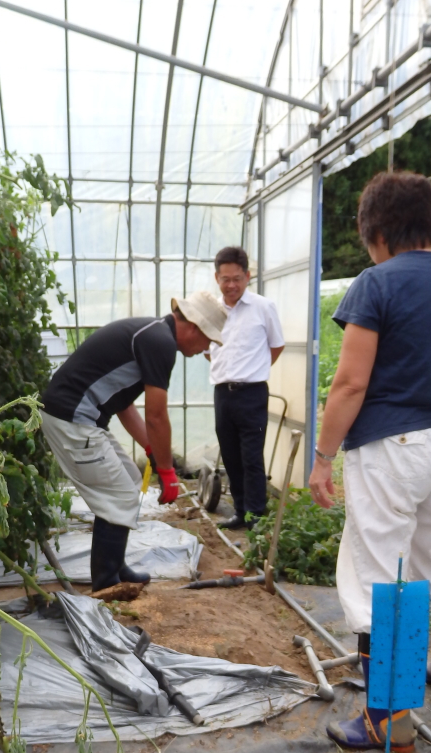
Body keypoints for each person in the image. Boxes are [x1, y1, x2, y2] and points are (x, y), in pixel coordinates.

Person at [309, 171, 431, 753]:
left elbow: (350, 383)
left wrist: (322, 458)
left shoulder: (376, 283)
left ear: (378, 231)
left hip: (393, 446)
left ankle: (390, 720)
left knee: (381, 577)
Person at [41, 293, 226, 591]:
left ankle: (115, 565)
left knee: (128, 479)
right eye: (208, 340)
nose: (206, 347)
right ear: (195, 328)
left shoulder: (152, 333)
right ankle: (105, 582)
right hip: (71, 418)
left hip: (77, 417)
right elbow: (156, 416)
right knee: (120, 493)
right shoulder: (160, 342)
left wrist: (152, 450)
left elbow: (124, 405)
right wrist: (166, 471)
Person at [207, 246, 284, 530]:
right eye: (225, 278)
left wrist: (255, 369)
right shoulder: (212, 311)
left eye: (237, 278)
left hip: (252, 393)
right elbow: (206, 349)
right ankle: (240, 510)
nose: (231, 285)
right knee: (230, 455)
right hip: (222, 393)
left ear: (248, 276)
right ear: (217, 278)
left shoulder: (263, 307)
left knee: (252, 457)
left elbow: (277, 346)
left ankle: (256, 515)